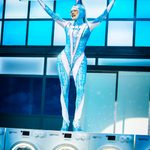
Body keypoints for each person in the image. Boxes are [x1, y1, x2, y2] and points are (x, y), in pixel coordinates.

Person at [38, 0, 115, 131]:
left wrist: (113, 1)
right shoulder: (67, 25)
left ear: (81, 12)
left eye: (74, 10)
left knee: (80, 89)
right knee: (64, 89)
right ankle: (65, 122)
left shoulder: (88, 26)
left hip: (80, 59)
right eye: (71, 11)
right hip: (64, 58)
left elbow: (104, 14)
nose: (71, 12)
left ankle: (77, 122)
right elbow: (52, 13)